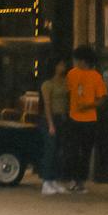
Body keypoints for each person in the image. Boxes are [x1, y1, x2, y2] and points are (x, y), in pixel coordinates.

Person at [64, 44, 107, 191]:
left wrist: (87, 106)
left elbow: (101, 100)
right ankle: (73, 178)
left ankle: (80, 180)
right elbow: (66, 92)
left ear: (84, 61)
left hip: (89, 119)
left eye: (78, 60)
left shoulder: (96, 77)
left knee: (86, 152)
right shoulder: (71, 74)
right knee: (73, 150)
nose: (76, 63)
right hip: (73, 117)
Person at [39, 53, 70, 195]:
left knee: (59, 150)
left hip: (63, 117)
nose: (63, 67)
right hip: (50, 118)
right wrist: (50, 124)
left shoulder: (65, 82)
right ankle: (46, 181)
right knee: (50, 149)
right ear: (55, 67)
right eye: (60, 64)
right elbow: (47, 104)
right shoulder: (47, 84)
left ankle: (54, 180)